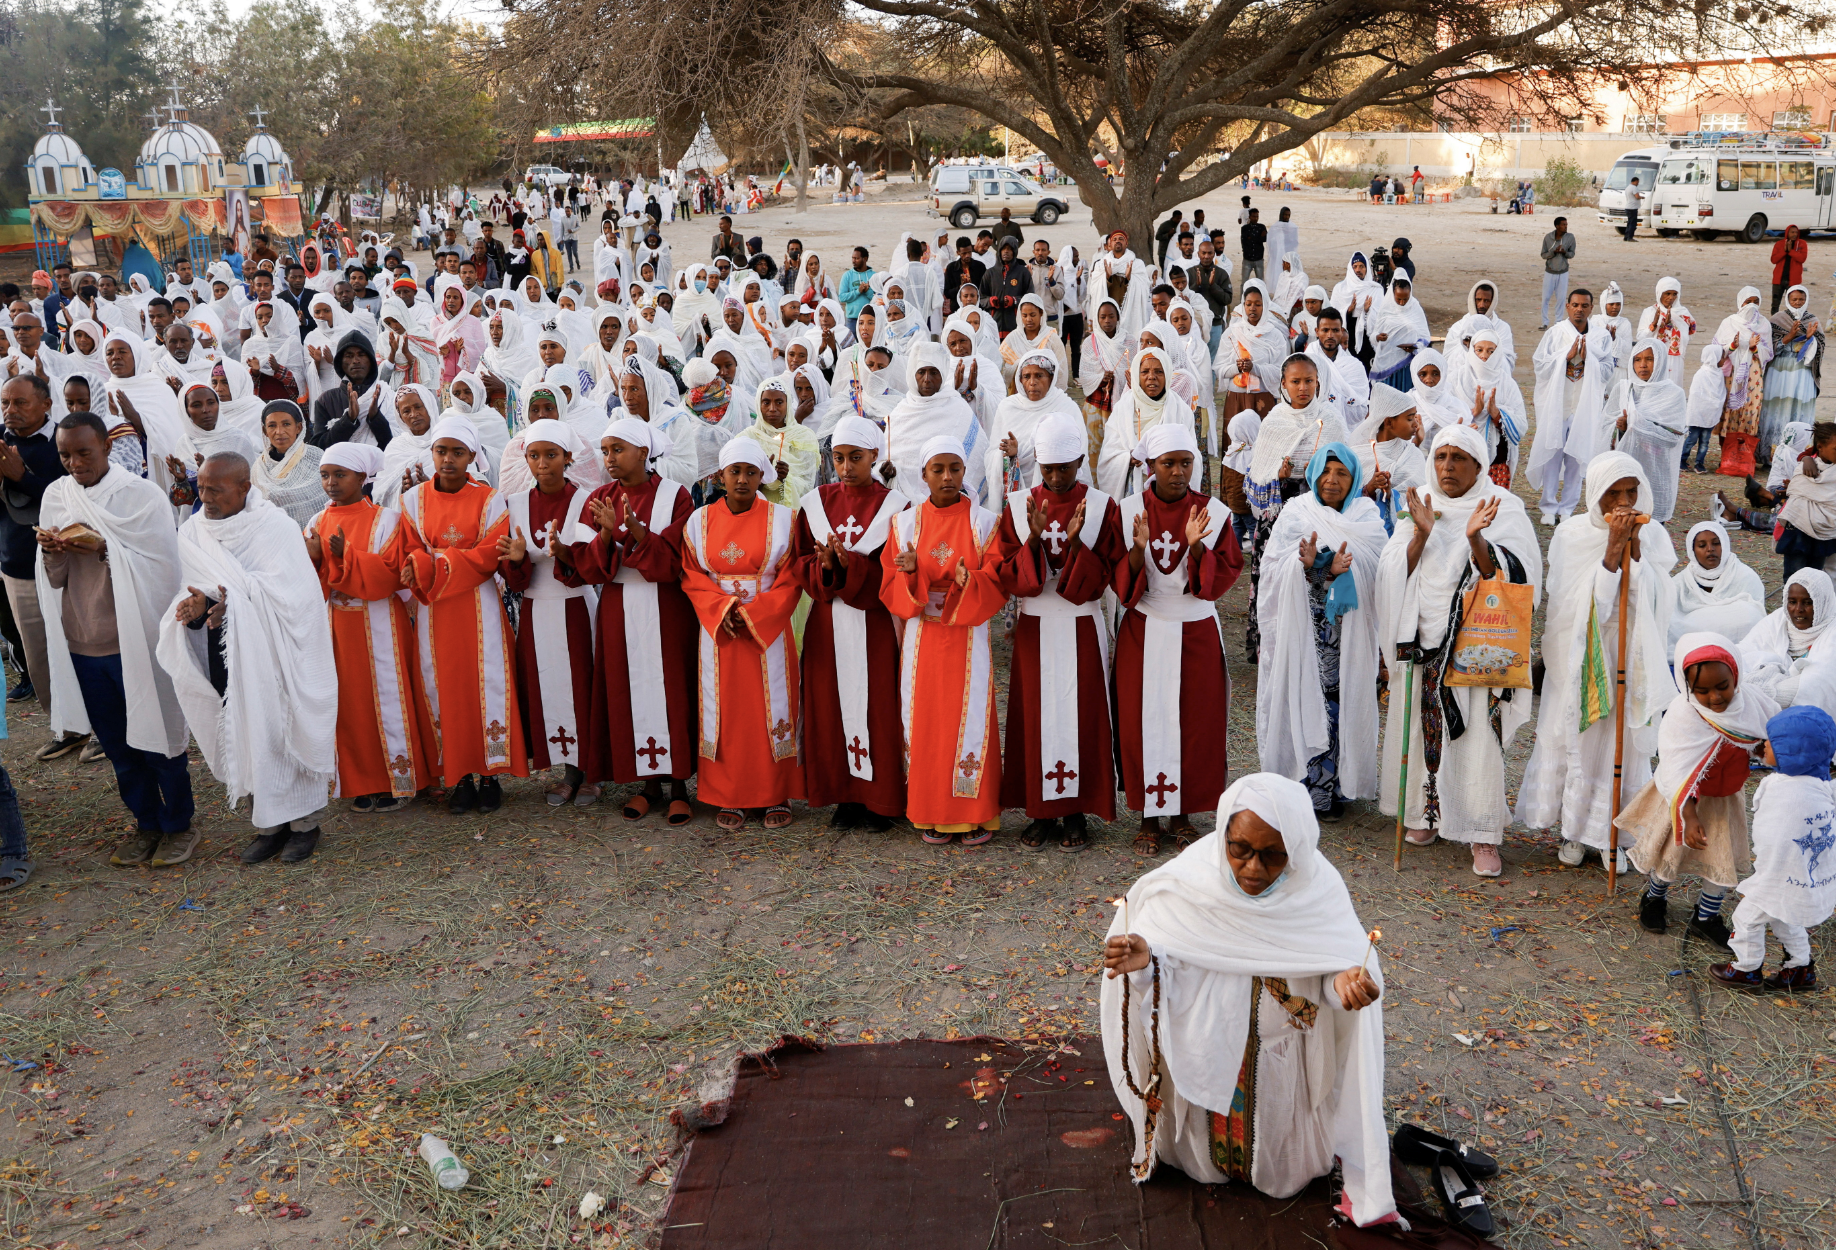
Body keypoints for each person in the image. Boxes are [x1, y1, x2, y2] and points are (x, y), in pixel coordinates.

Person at [1099, 773, 1395, 1228]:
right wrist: (1145, 962)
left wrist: (1345, 986)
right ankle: (1202, 1156)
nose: (1253, 869)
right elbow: (1163, 970)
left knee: (1285, 1170)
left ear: (1296, 850)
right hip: (1205, 1048)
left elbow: (1337, 966)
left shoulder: (1317, 891)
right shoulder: (1185, 884)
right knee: (1200, 1164)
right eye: (1240, 849)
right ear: (1223, 836)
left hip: (1282, 1065)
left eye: (1273, 856)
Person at [1374, 424, 1540, 877]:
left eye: (1458, 458)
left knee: (1476, 739)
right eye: (1441, 456)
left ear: (1479, 465)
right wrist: (1421, 535)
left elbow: (1514, 583)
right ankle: (1427, 815)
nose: (1447, 466)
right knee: (1422, 730)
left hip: (1475, 644)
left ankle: (1481, 832)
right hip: (1420, 638)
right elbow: (1393, 571)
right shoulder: (1421, 503)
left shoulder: (1500, 508)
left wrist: (1474, 540)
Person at [156, 452, 337, 864]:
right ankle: (267, 825)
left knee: (281, 729)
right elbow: (199, 590)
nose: (206, 497)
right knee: (247, 728)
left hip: (279, 655)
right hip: (231, 654)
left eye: (216, 490)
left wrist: (231, 602)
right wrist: (199, 606)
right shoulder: (193, 533)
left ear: (244, 488)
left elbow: (294, 597)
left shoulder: (274, 527)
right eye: (201, 488)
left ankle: (305, 825)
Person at [35, 413, 195, 867]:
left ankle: (179, 824)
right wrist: (52, 550)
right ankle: (146, 822)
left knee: (159, 738)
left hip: (134, 639)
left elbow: (164, 569)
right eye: (65, 455)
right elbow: (54, 578)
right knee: (119, 745)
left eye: (84, 452)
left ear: (107, 446)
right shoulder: (56, 495)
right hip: (83, 641)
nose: (74, 463)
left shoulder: (140, 496)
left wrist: (104, 548)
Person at [1520, 452, 1677, 872]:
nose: (1624, 502)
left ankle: (1614, 835)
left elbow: (1658, 601)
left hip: (1631, 651)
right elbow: (1580, 609)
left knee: (1620, 744)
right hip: (1582, 655)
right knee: (1581, 737)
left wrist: (1636, 552)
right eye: (1613, 493)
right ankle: (1573, 830)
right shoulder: (1572, 535)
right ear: (1595, 496)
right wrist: (1612, 551)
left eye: (1632, 491)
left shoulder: (1655, 535)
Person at [993, 412, 1123, 850]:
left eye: (1064, 468)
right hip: (1036, 622)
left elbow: (1105, 571)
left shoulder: (1102, 507)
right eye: (1047, 468)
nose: (1054, 476)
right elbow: (1007, 572)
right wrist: (1033, 541)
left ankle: (1076, 812)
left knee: (1081, 712)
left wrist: (1073, 546)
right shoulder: (1016, 506)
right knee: (1036, 715)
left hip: (1081, 622)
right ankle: (1041, 809)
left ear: (1081, 461)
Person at [1114, 425, 1238, 855]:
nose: (1179, 472)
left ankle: (1184, 815)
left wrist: (1197, 548)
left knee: (1195, 722)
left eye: (1187, 463)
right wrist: (1137, 549)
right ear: (1151, 466)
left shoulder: (1213, 514)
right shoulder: (1130, 510)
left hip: (1195, 628)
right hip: (1145, 627)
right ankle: (1149, 817)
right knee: (1140, 721)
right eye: (1169, 463)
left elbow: (1221, 576)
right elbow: (1121, 582)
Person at [397, 416, 529, 813]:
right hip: (433, 611)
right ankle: (461, 778)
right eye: (441, 451)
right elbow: (410, 549)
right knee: (445, 690)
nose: (448, 459)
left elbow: (492, 551)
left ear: (473, 455)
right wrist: (419, 564)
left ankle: (490, 775)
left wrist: (436, 565)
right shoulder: (412, 500)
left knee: (483, 686)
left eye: (457, 452)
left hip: (479, 607)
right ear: (431, 453)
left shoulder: (489, 499)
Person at [880, 435, 1007, 844]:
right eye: (938, 469)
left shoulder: (984, 523)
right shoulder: (904, 524)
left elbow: (996, 578)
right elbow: (891, 586)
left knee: (968, 718)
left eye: (955, 468)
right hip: (923, 637)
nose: (947, 477)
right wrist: (912, 572)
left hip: (967, 634)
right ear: (924, 475)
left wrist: (972, 581)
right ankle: (929, 809)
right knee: (925, 720)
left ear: (964, 472)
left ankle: (974, 813)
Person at [570, 417, 697, 823]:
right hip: (619, 605)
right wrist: (607, 535)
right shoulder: (599, 497)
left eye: (618, 449)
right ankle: (647, 785)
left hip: (666, 605)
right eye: (605, 450)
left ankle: (679, 786)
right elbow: (587, 565)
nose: (609, 458)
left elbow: (677, 560)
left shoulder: (677, 496)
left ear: (644, 452)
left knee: (671, 690)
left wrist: (636, 532)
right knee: (630, 689)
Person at [1256, 441, 1387, 820]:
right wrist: (1314, 568)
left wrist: (1350, 569)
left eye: (1341, 473)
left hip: (1351, 640)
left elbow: (1381, 571)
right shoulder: (1297, 513)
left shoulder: (1367, 517)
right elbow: (1274, 571)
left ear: (1353, 479)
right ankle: (1306, 790)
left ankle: (1338, 787)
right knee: (1305, 702)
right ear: (1313, 474)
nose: (1331, 480)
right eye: (1325, 472)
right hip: (1306, 640)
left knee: (1341, 708)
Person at [679, 438, 804, 830]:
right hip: (720, 633)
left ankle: (774, 793)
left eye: (751, 472)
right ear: (720, 475)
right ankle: (729, 794)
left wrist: (755, 616)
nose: (743, 480)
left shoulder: (784, 520)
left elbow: (790, 578)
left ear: (762, 476)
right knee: (725, 712)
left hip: (767, 633)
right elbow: (693, 576)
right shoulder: (698, 522)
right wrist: (723, 610)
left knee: (772, 709)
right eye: (735, 471)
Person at [1621, 633, 1776, 947]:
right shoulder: (1683, 715)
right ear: (1686, 686)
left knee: (1722, 857)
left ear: (1737, 676)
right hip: (1685, 802)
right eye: (1702, 691)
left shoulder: (1753, 705)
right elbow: (1677, 767)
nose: (1715, 698)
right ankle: (1654, 898)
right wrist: (1688, 818)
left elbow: (1770, 739)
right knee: (1671, 852)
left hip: (1726, 798)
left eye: (1723, 687)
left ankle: (1706, 917)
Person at [793, 415, 908, 831]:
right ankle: (843, 794)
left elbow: (894, 569)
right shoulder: (816, 504)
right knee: (829, 704)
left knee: (877, 705)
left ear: (874, 456)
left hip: (874, 622)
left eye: (855, 458)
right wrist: (825, 568)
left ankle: (879, 798)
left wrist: (852, 566)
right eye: (838, 458)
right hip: (828, 622)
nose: (845, 467)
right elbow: (799, 561)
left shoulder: (895, 507)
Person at [307, 441, 435, 813]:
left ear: (363, 477)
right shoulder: (316, 521)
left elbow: (392, 575)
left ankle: (398, 779)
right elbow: (308, 582)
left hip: (380, 621)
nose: (331, 483)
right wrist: (316, 559)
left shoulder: (387, 520)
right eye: (325, 476)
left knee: (389, 699)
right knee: (350, 705)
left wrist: (345, 557)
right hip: (338, 625)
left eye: (340, 475)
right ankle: (360, 780)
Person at [498, 417, 600, 807]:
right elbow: (514, 576)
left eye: (551, 455)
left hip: (575, 606)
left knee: (583, 687)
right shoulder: (517, 504)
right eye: (535, 456)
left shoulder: (585, 501)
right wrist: (519, 560)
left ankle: (590, 773)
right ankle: (565, 770)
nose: (543, 463)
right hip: (536, 610)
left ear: (568, 457)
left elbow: (590, 564)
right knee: (549, 688)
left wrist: (564, 554)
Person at [1709, 705, 1835, 990]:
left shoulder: (1779, 787)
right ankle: (1800, 970)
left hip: (1778, 875)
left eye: (1773, 742)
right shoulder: (1822, 785)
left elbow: (1768, 825)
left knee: (1746, 917)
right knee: (1785, 918)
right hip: (1804, 876)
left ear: (1795, 752)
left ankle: (1746, 969)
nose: (1764, 744)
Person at [0, 374, 67, 739]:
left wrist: (21, 476)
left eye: (19, 403)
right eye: (5, 403)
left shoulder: (65, 441)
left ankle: (99, 725)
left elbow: (69, 498)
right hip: (18, 568)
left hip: (67, 563)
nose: (10, 411)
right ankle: (65, 727)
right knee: (38, 651)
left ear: (45, 404)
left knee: (77, 646)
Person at [1527, 288, 1611, 525]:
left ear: (1592, 309)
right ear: (1567, 306)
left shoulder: (1601, 337)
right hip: (1558, 404)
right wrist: (1565, 356)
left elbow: (1607, 371)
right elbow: (1540, 366)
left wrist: (1588, 360)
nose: (1579, 310)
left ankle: (1567, 508)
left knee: (1577, 456)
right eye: (1575, 305)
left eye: (1585, 306)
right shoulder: (1555, 334)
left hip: (1583, 406)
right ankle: (1548, 506)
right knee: (1553, 454)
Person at [1606, 339, 1689, 525]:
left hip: (1656, 470)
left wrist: (1636, 424)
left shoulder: (1673, 394)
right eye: (1637, 359)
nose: (1642, 365)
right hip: (1626, 471)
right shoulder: (1624, 389)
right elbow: (1605, 425)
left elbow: (1672, 437)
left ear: (1660, 361)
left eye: (1649, 359)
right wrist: (1620, 428)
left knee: (1651, 527)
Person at [1670, 521, 1766, 648]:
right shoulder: (1681, 581)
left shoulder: (1746, 576)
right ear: (1692, 551)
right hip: (1689, 634)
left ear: (1725, 545)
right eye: (1702, 545)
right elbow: (1670, 615)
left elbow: (1754, 617)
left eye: (1716, 543)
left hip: (1736, 640)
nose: (1710, 549)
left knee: (1749, 614)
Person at [1715, 287, 1775, 477]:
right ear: (1740, 302)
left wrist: (1755, 349)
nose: (1751, 305)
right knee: (1730, 411)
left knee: (1749, 411)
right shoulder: (1729, 322)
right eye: (1747, 301)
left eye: (1755, 301)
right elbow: (1717, 350)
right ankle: (1726, 455)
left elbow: (1768, 353)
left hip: (1753, 374)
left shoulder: (1764, 324)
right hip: (1733, 373)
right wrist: (1733, 345)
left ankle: (1743, 457)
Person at [1761, 285, 1822, 451]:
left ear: (1806, 300)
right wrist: (1789, 337)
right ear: (1787, 300)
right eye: (1794, 299)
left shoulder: (1812, 320)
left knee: (1797, 408)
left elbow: (1820, 348)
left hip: (1802, 373)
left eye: (1801, 299)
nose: (1797, 302)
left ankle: (1797, 454)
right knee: (1777, 407)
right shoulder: (1777, 319)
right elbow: (1768, 348)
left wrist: (1809, 338)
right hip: (1779, 372)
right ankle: (1770, 454)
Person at [1637, 277, 1695, 386]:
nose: (1671, 298)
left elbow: (1687, 337)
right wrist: (1654, 325)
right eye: (1667, 293)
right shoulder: (1649, 312)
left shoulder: (1683, 313)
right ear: (1659, 293)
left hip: (1675, 361)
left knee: (1673, 389)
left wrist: (1670, 326)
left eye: (1674, 294)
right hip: (1654, 358)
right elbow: (1640, 337)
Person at [1682, 343, 1727, 474]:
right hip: (1698, 414)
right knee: (1691, 439)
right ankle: (1682, 460)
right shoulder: (1701, 374)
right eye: (1722, 357)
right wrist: (1707, 405)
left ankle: (1699, 463)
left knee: (1705, 442)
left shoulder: (1718, 374)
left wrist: (1714, 405)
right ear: (1714, 358)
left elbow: (1720, 393)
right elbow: (1696, 395)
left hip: (1710, 414)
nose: (1724, 361)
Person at [1539, 218, 1575, 329]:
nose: (1566, 226)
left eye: (1566, 224)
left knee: (1561, 298)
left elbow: (1572, 254)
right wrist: (1553, 252)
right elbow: (1543, 255)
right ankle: (1545, 322)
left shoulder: (1570, 237)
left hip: (1563, 272)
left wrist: (1564, 253)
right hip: (1550, 271)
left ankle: (1558, 322)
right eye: (1563, 224)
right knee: (1545, 298)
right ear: (1557, 226)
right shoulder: (1548, 238)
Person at [1770, 223, 1808, 313]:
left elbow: (1802, 259)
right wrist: (1784, 251)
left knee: (1795, 303)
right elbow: (1773, 260)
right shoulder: (1779, 244)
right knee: (1775, 303)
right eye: (1792, 232)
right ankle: (1774, 321)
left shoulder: (1802, 244)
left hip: (1794, 280)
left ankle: (1794, 322)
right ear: (1787, 233)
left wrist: (1791, 251)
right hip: (1778, 279)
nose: (1794, 234)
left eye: (1796, 232)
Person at [1238, 209, 1267, 282]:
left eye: (1257, 216)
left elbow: (1265, 238)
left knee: (1260, 281)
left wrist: (1252, 238)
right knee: (1244, 281)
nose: (1256, 218)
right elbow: (1245, 241)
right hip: (1247, 259)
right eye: (1254, 216)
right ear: (1249, 217)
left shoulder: (1262, 227)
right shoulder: (1244, 228)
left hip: (1259, 258)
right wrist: (1259, 237)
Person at [1621, 177, 1643, 242]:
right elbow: (1637, 196)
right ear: (1635, 181)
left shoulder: (1628, 187)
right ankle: (1630, 237)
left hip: (1628, 207)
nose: (1638, 184)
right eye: (1637, 182)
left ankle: (1626, 236)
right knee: (1632, 224)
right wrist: (1641, 197)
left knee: (1629, 223)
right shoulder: (1634, 188)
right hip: (1633, 208)